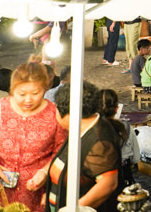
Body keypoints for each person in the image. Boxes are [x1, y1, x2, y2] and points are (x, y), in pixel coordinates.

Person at [0, 63, 67, 211]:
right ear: (12, 89)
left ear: (46, 88)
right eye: (21, 94)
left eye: (35, 93)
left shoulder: (55, 114)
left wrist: (45, 172)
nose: (28, 100)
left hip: (37, 194)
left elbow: (61, 152)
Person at [46, 81, 122, 212]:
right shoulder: (78, 130)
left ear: (69, 114)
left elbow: (107, 184)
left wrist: (73, 209)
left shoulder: (100, 141)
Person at [97, 88, 140, 187]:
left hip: (97, 182)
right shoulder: (126, 128)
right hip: (123, 180)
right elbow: (136, 158)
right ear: (116, 109)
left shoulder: (91, 129)